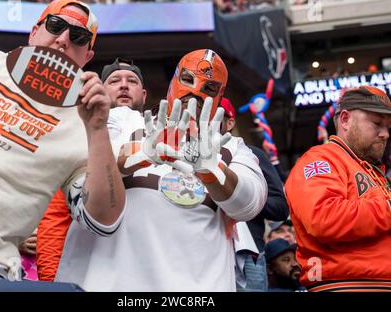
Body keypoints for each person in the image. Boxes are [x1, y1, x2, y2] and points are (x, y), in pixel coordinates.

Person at [0, 0, 125, 280]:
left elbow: (103, 221)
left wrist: (98, 130)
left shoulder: (85, 125)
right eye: (55, 25)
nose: (63, 40)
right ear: (34, 31)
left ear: (87, 56)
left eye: (78, 37)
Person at [55, 49, 268, 291]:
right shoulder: (123, 120)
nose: (194, 93)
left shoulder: (231, 147)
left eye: (209, 89)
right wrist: (140, 152)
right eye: (187, 80)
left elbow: (249, 204)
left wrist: (212, 169)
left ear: (219, 97)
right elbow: (84, 159)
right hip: (108, 283)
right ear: (173, 81)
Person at [36, 57, 147, 282]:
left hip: (147, 273)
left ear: (144, 95)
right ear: (101, 91)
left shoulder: (164, 135)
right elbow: (56, 217)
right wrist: (50, 280)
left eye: (132, 81)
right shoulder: (77, 133)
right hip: (90, 275)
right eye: (115, 80)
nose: (124, 85)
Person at [285, 86, 391, 291]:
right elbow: (323, 218)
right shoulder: (320, 159)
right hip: (348, 285)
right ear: (345, 120)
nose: (385, 134)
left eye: (388, 126)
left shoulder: (373, 171)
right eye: (377, 124)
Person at [220, 98, 289, 292]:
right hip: (207, 252)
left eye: (217, 114)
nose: (209, 118)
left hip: (249, 254)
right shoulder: (190, 154)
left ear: (230, 122)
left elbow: (280, 208)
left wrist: (244, 196)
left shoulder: (251, 155)